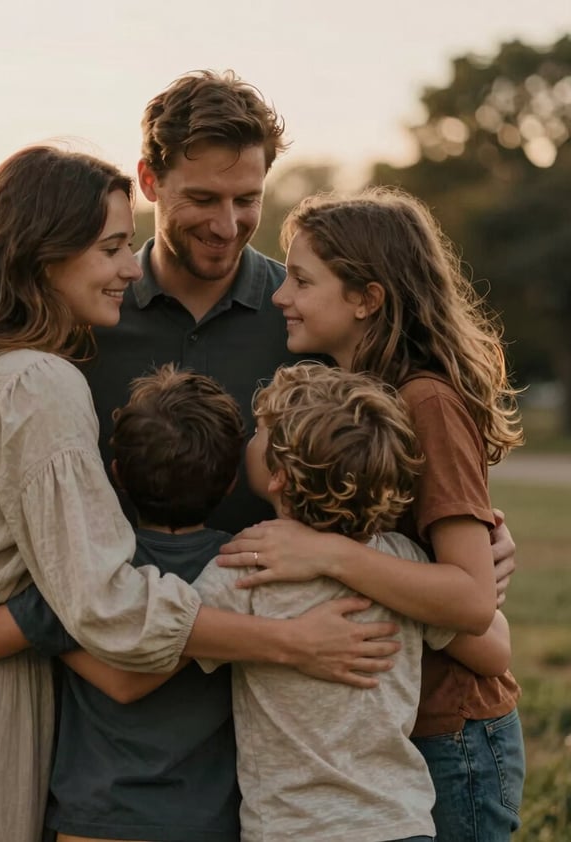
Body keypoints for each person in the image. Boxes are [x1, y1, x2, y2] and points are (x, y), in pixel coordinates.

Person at [0, 146, 387, 842]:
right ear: (44, 253)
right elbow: (108, 608)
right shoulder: (40, 383)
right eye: (112, 247)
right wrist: (287, 641)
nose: (130, 265)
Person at [0, 69, 413, 685]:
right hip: (97, 680)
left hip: (271, 678)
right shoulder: (76, 308)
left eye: (248, 198)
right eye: (204, 199)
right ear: (150, 182)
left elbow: (383, 460)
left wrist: (464, 543)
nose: (228, 224)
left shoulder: (307, 318)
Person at [217, 188, 526, 840]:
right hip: (395, 727)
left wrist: (326, 553)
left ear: (366, 298)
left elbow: (472, 601)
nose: (280, 294)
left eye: (302, 280)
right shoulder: (357, 395)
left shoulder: (426, 401)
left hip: (454, 734)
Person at [0, 363, 247, 842]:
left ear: (115, 474)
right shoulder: (244, 570)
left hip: (93, 819)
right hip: (206, 822)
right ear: (230, 483)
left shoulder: (89, 572)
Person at [193, 362, 512, 841]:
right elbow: (494, 650)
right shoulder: (404, 562)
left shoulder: (247, 566)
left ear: (278, 475)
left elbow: (170, 639)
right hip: (400, 823)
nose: (250, 439)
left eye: (260, 432)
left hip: (293, 828)